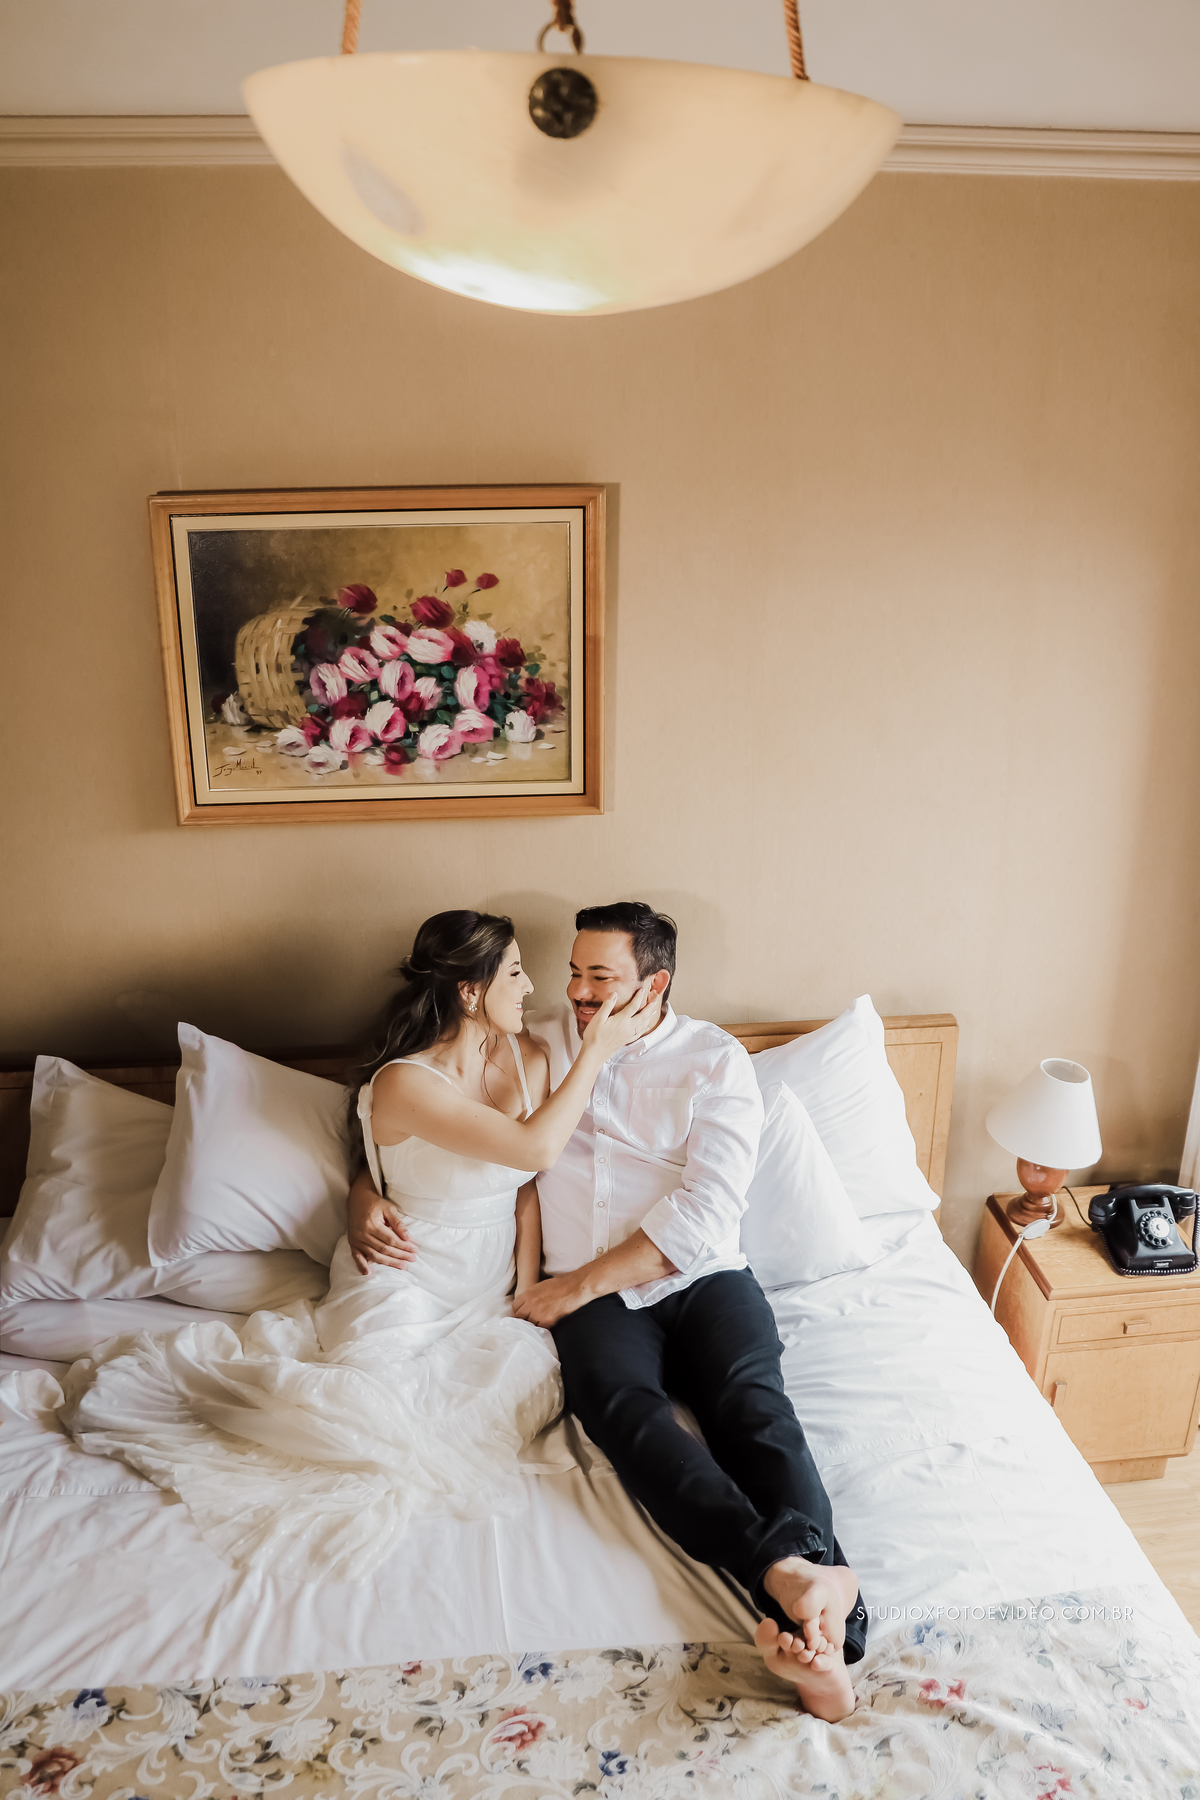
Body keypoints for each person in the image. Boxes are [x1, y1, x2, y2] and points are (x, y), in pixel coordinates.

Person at [348, 902, 867, 1720]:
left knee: (753, 1409)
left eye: (601, 978)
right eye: (573, 974)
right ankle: (801, 1586)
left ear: (652, 985)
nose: (579, 993)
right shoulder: (536, 1043)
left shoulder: (715, 1059)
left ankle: (827, 1637)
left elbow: (703, 1217)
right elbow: (417, 1115)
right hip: (590, 1296)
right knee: (624, 1413)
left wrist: (574, 1287)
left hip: (699, 1277)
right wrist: (363, 1190)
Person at [58, 909, 653, 1582]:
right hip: (405, 1272)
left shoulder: (531, 1058)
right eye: (514, 973)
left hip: (485, 1287)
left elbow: (524, 1187)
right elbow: (534, 1147)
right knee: (363, 1415)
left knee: (505, 1385)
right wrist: (596, 1051)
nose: (531, 987)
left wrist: (526, 1285)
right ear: (469, 991)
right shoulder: (406, 1081)